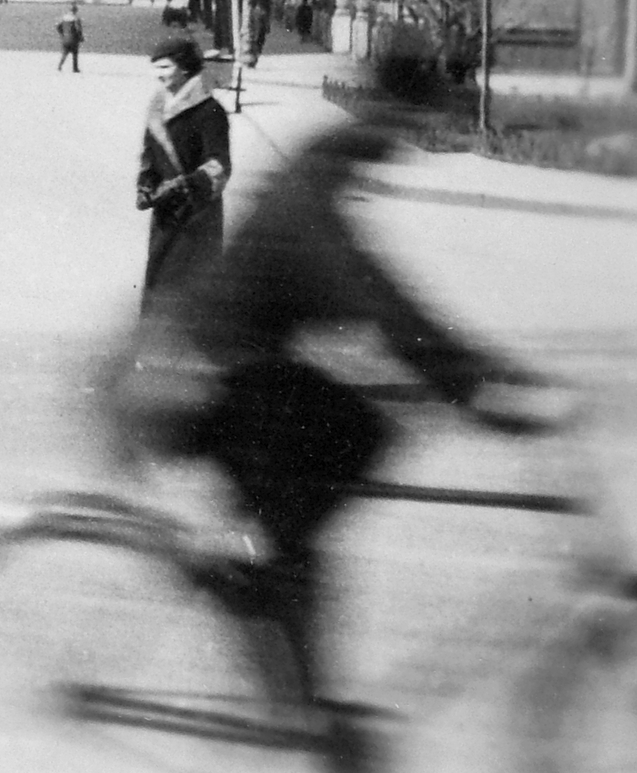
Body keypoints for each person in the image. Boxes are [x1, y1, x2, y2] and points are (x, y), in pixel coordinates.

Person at [112, 106, 566, 753]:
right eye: (386, 144)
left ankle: (284, 643)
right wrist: (472, 386)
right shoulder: (313, 211)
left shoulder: (318, 175)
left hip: (221, 366)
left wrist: (476, 373)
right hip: (192, 383)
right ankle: (267, 624)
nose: (390, 159)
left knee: (358, 435)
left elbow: (378, 296)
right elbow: (374, 299)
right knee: (341, 453)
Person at [135, 35, 230, 306]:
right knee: (159, 279)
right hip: (165, 212)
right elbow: (149, 154)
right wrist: (145, 183)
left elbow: (220, 166)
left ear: (185, 67)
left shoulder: (210, 111)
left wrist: (184, 186)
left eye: (164, 67)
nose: (158, 75)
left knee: (192, 286)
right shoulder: (157, 107)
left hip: (197, 214)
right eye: (156, 67)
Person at [56, 2, 83, 72]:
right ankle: (75, 68)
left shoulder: (64, 17)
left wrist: (62, 34)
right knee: (75, 53)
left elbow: (58, 27)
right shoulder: (76, 18)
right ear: (75, 10)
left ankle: (60, 65)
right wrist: (81, 37)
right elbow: (78, 29)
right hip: (73, 39)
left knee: (65, 53)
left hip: (65, 38)